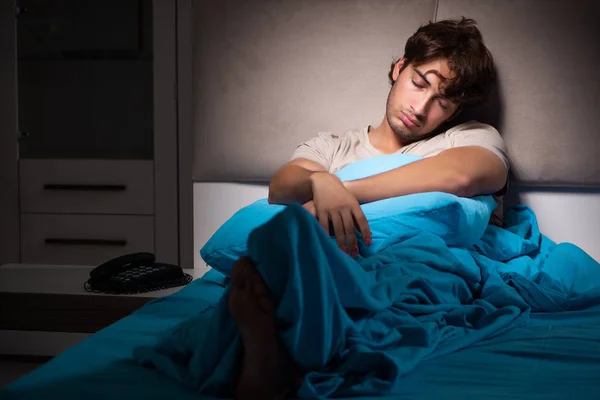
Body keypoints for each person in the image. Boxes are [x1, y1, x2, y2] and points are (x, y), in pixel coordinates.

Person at [228, 17, 509, 399]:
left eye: (442, 102)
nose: (421, 107)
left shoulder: (467, 138)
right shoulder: (331, 148)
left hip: (409, 259)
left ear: (454, 112)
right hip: (337, 258)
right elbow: (281, 188)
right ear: (399, 68)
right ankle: (296, 336)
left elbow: (467, 176)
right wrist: (318, 180)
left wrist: (342, 188)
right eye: (419, 83)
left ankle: (296, 345)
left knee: (411, 274)